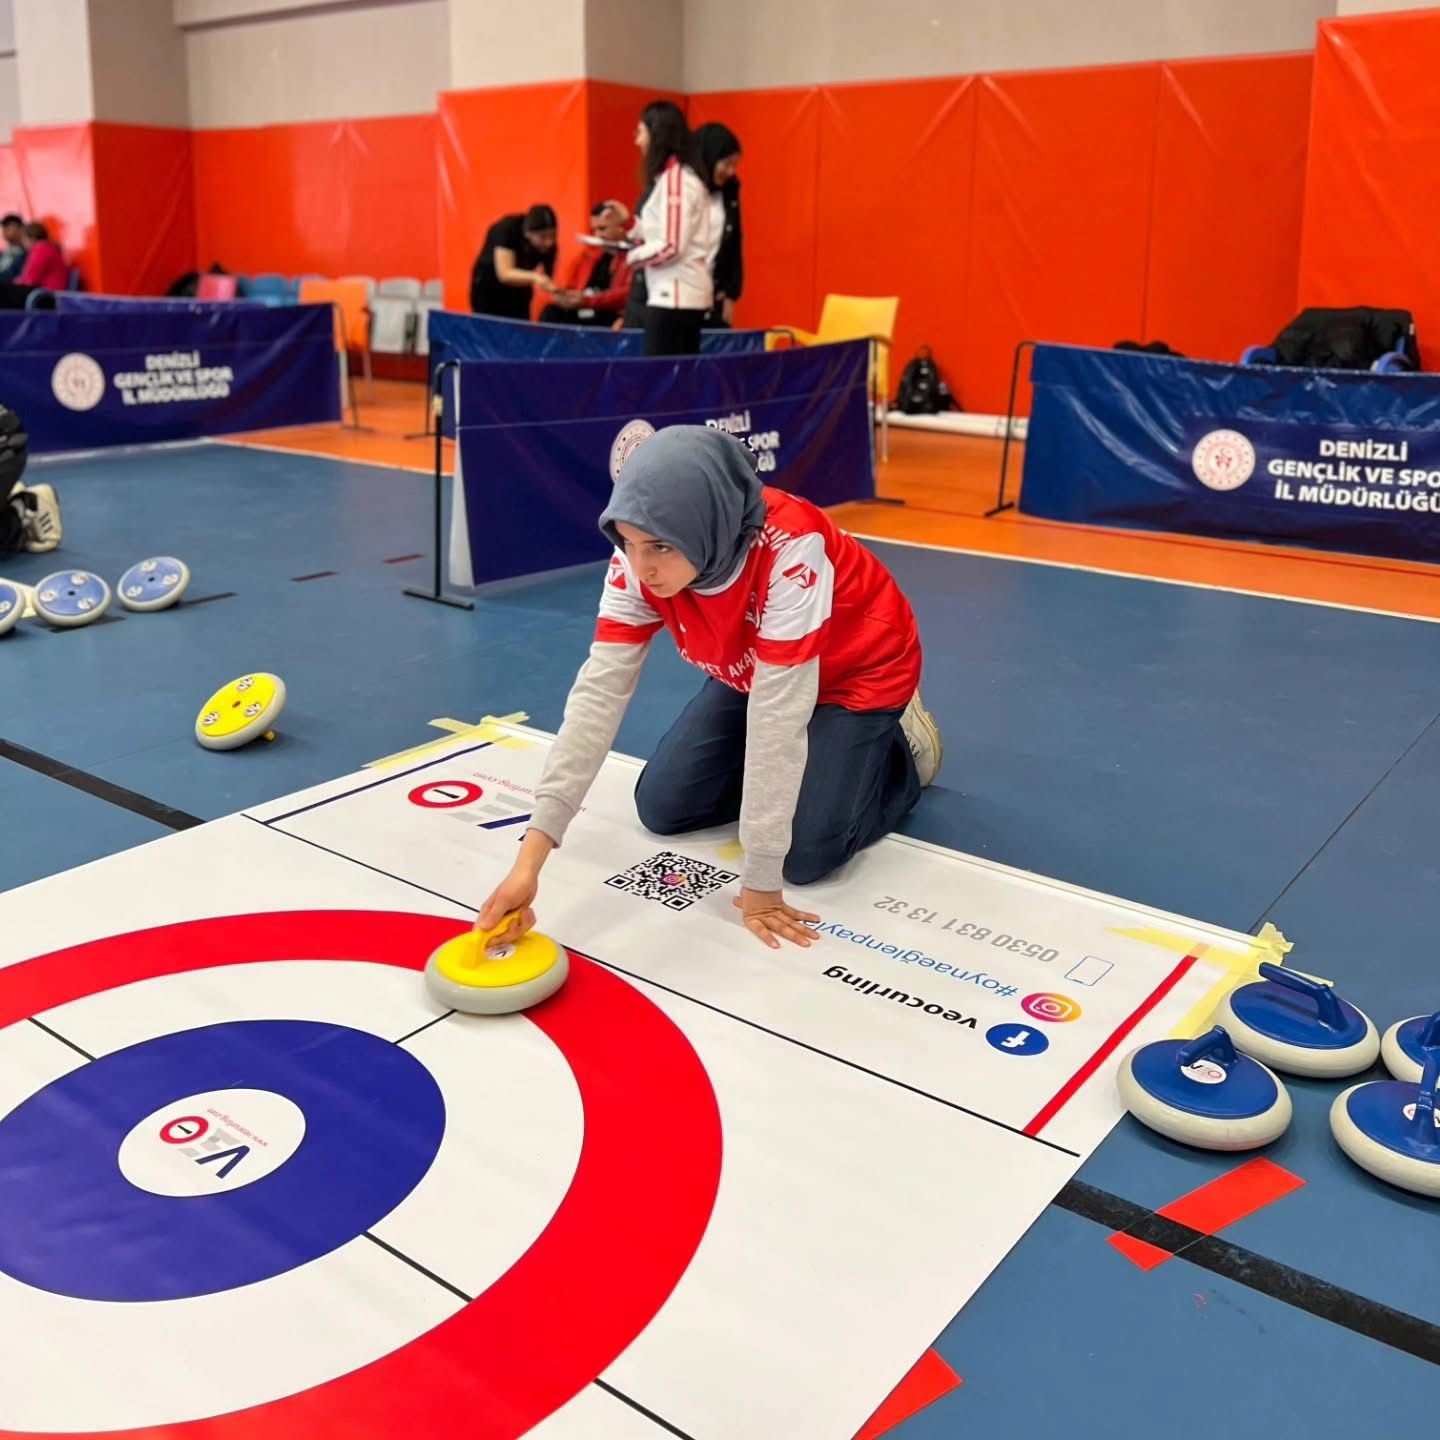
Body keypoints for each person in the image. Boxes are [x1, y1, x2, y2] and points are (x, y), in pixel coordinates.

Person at [477, 425, 943, 952]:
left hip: (857, 673)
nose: (642, 566)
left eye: (658, 547)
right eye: (628, 544)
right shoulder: (638, 558)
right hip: (754, 668)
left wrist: (762, 883)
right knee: (662, 807)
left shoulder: (792, 548)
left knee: (805, 856)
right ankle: (817, 773)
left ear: (705, 525)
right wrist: (529, 863)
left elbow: (778, 721)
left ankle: (903, 750)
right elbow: (596, 700)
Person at [624, 100, 719, 357]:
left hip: (675, 299)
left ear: (657, 135)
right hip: (672, 296)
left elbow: (671, 245)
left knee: (662, 383)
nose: (637, 141)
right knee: (671, 383)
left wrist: (631, 258)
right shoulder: (670, 179)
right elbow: (661, 230)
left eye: (640, 133)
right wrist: (627, 226)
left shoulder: (677, 180)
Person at [539, 200, 634, 327]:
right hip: (585, 309)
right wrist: (565, 296)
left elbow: (628, 294)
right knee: (551, 312)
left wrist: (588, 301)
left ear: (621, 228)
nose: (598, 235)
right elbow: (574, 286)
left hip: (611, 314)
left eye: (602, 228)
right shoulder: (591, 256)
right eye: (594, 230)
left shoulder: (634, 256)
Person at [469, 204, 559, 319]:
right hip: (489, 288)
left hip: (519, 291)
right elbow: (504, 273)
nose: (549, 242)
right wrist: (536, 277)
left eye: (553, 236)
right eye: (543, 237)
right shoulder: (506, 230)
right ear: (528, 234)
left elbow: (547, 279)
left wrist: (559, 294)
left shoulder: (549, 245)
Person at [695, 123, 743, 328]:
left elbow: (735, 244)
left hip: (713, 295)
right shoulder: (685, 189)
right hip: (682, 294)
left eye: (735, 165)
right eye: (726, 163)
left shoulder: (730, 191)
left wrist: (731, 294)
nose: (731, 171)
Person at [0, 215, 27, 283]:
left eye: (8, 226)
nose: (4, 230)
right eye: (4, 227)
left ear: (21, 228)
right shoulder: (3, 253)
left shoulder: (27, 252)